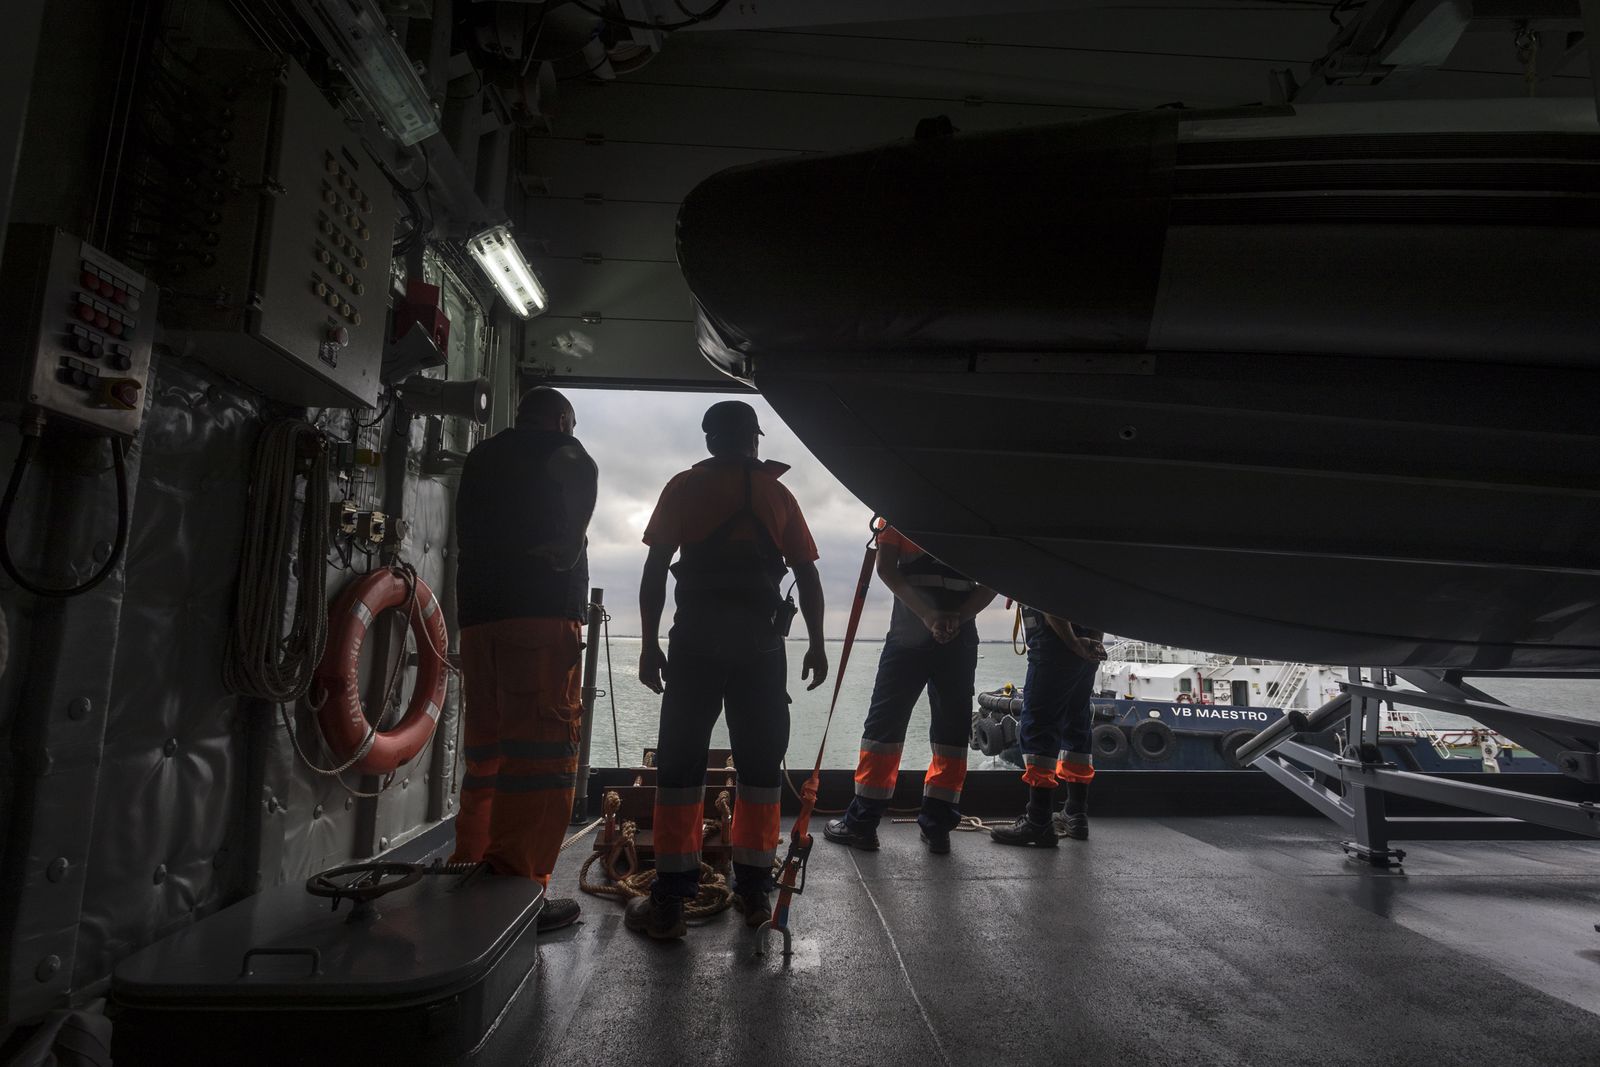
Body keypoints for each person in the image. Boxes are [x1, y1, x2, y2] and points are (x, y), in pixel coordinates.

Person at [627, 400, 828, 941]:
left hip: (694, 647)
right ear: (754, 441)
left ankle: (669, 903)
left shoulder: (683, 488)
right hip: (761, 652)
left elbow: (654, 573)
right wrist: (815, 643)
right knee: (761, 772)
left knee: (680, 769)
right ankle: (755, 895)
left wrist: (648, 645)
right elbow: (808, 577)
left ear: (711, 440)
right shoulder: (778, 494)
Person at [449, 387, 597, 931]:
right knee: (540, 760)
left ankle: (469, 867)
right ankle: (516, 893)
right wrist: (572, 542)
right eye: (572, 427)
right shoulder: (562, 450)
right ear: (561, 421)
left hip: (480, 622)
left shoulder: (484, 455)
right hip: (538, 621)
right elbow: (581, 469)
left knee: (488, 754)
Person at [823, 526, 996, 855]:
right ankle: (938, 826)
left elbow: (886, 568)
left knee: (884, 728)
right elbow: (993, 580)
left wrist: (931, 617)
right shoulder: (973, 516)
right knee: (951, 736)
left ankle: (862, 824)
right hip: (958, 640)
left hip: (908, 637)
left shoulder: (901, 507)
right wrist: (955, 618)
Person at [990, 606, 1105, 846]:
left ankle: (1038, 820)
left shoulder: (1043, 566)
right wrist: (1092, 643)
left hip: (1055, 645)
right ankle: (1075, 813)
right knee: (1077, 724)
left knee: (1038, 728)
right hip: (1087, 649)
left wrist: (1072, 642)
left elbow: (1050, 596)